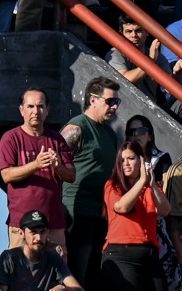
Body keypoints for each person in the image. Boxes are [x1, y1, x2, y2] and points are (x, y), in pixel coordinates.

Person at [62, 77, 123, 288]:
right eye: (110, 101)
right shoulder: (77, 127)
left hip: (101, 215)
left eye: (117, 102)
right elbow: (54, 167)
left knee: (96, 278)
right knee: (77, 277)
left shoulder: (109, 133)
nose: (114, 107)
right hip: (77, 214)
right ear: (93, 100)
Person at [0, 88, 75, 251]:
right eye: (30, 106)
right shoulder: (11, 138)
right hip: (21, 225)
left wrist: (58, 167)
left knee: (57, 273)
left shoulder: (57, 139)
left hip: (53, 224)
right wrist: (36, 164)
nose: (36, 111)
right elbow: (6, 175)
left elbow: (71, 175)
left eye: (40, 106)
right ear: (21, 110)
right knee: (21, 273)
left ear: (47, 110)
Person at [102, 140, 170, 291]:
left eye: (131, 159)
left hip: (150, 255)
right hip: (122, 254)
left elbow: (165, 210)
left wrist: (151, 184)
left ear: (141, 160)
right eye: (122, 160)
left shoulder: (150, 186)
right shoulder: (113, 185)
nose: (125, 163)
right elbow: (122, 206)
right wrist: (142, 182)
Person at [0, 209, 80, 291]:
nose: (38, 238)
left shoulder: (53, 257)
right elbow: (0, 288)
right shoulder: (9, 257)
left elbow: (77, 288)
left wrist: (64, 289)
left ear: (48, 232)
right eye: (33, 232)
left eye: (42, 232)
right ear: (21, 233)